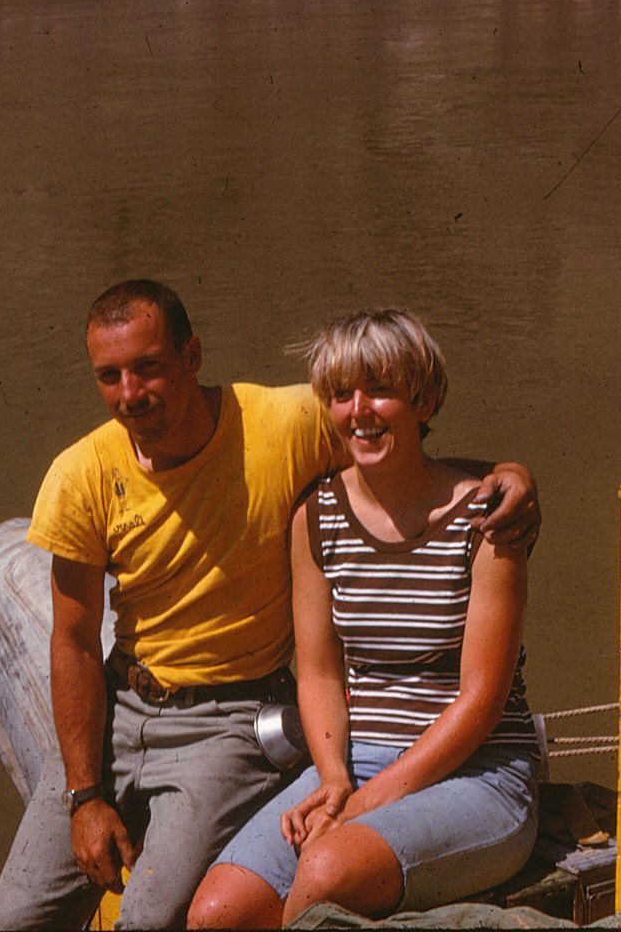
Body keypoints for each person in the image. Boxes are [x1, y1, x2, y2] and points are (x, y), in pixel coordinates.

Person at [0, 282, 541, 931]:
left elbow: (408, 461)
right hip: (138, 708)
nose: (130, 393)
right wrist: (84, 796)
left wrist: (514, 473)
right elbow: (75, 641)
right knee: (37, 918)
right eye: (110, 376)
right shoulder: (87, 475)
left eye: (149, 367)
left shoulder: (294, 430)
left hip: (242, 724)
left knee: (173, 912)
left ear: (192, 355)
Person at [187, 307, 541, 928]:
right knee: (217, 913)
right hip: (357, 763)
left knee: (326, 874)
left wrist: (361, 807)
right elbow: (319, 675)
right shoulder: (316, 518)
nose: (360, 411)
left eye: (381, 390)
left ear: (425, 400)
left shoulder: (489, 518)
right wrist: (332, 781)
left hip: (479, 774)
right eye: (342, 395)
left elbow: (481, 701)